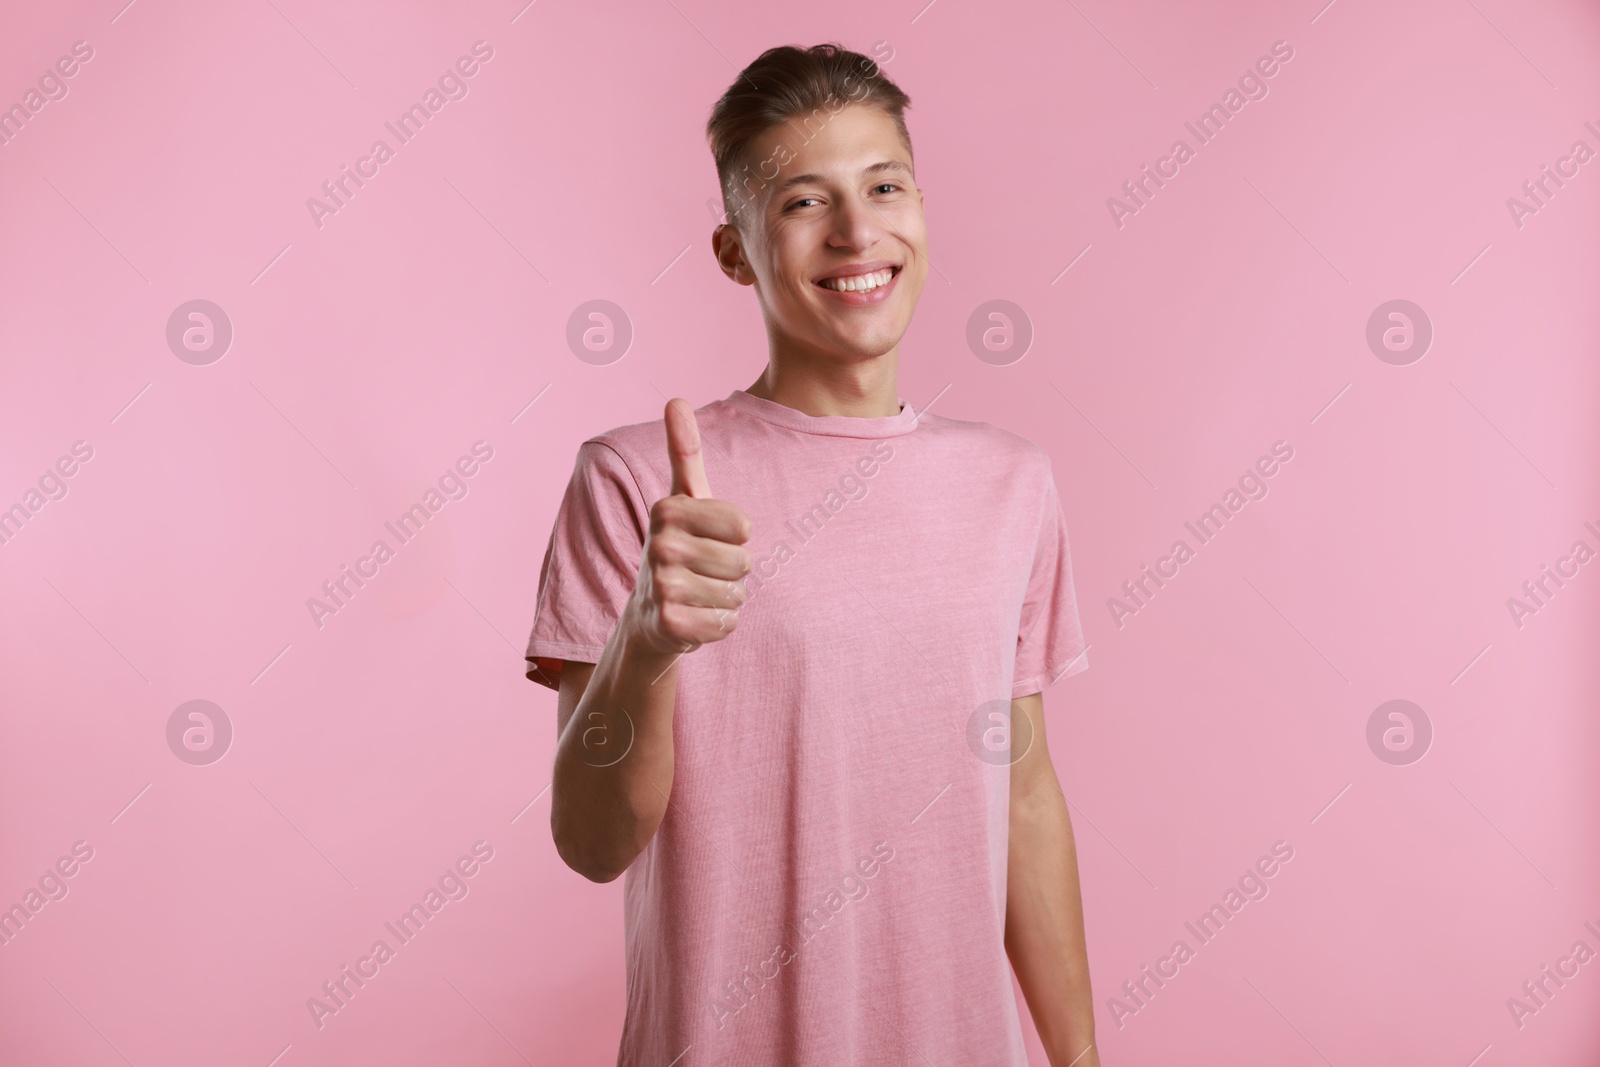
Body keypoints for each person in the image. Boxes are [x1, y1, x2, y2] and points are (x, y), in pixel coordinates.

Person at [525, 41, 1099, 1067]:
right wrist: (643, 647)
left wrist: (1080, 1057)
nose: (856, 229)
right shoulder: (637, 480)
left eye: (885, 185)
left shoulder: (1012, 483)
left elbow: (1022, 786)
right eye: (802, 201)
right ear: (734, 249)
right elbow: (591, 841)